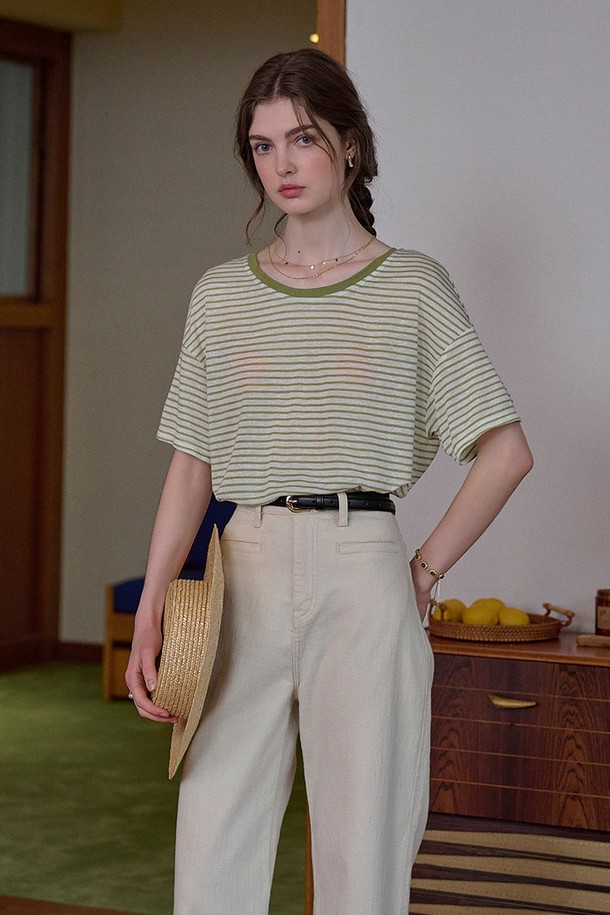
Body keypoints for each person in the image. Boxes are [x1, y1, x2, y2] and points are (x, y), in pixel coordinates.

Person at [125, 47, 533, 915]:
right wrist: (153, 604)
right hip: (241, 567)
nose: (281, 164)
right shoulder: (220, 295)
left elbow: (506, 451)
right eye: (262, 146)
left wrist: (420, 570)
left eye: (302, 139)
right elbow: (192, 463)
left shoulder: (413, 286)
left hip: (363, 567)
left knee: (364, 846)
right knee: (213, 838)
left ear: (350, 144)